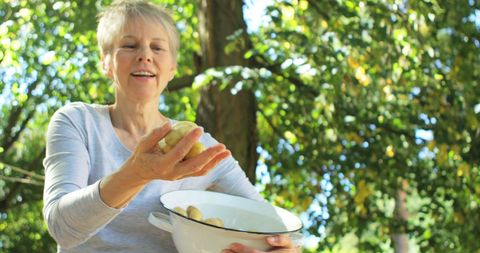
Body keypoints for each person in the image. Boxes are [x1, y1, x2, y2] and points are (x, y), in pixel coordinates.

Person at [42, 0, 300, 252]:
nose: (144, 55)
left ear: (173, 68)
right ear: (106, 62)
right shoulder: (77, 122)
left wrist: (285, 248)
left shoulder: (200, 147)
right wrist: (137, 173)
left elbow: (271, 226)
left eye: (157, 47)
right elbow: (62, 228)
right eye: (130, 45)